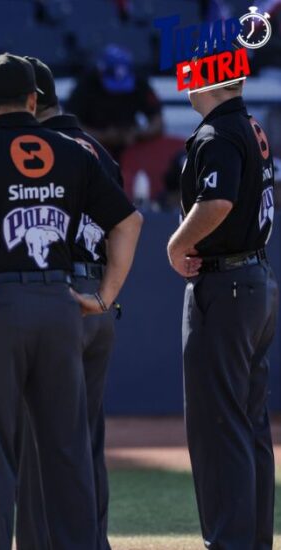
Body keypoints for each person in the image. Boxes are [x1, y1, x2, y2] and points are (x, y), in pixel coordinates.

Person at [0, 53, 143, 550]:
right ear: (34, 99)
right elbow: (129, 222)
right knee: (68, 452)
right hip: (60, 305)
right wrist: (103, 297)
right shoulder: (75, 150)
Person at [14, 56, 127, 550]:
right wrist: (104, 296)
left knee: (40, 442)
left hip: (53, 301)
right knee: (85, 437)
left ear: (31, 99)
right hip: (96, 301)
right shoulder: (100, 150)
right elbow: (127, 223)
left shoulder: (34, 148)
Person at [167, 77, 277, 547]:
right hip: (254, 281)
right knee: (247, 422)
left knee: (219, 427)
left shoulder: (218, 133)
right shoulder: (248, 125)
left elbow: (218, 201)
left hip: (227, 286)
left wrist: (178, 244)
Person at [66, 44, 163, 159]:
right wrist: (100, 136)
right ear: (101, 72)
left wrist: (138, 134)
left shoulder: (139, 82)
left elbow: (157, 121)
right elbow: (69, 124)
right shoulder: (86, 84)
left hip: (131, 145)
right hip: (91, 149)